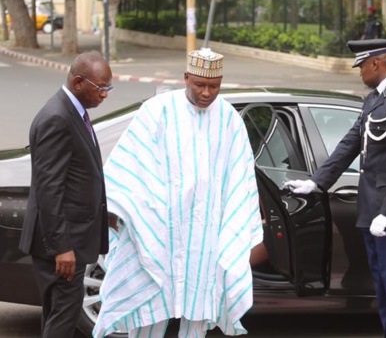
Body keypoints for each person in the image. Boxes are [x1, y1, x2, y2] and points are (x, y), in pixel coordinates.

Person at [93, 47, 263, 338]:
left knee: (199, 307)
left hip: (205, 235)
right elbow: (129, 163)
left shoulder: (229, 119)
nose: (207, 93)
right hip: (160, 230)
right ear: (186, 78)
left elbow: (241, 176)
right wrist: (118, 211)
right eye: (200, 85)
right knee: (150, 304)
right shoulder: (158, 111)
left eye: (214, 86)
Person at [285, 39, 386, 338]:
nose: (359, 72)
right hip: (371, 212)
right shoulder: (375, 99)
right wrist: (316, 181)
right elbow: (350, 144)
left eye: (362, 65)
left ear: (377, 63)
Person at [19, 51, 113, 338]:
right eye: (101, 88)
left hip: (69, 238)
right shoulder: (57, 118)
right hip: (61, 244)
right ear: (78, 83)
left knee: (57, 313)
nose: (105, 95)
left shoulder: (73, 111)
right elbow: (49, 189)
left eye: (109, 88)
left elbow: (76, 179)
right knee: (64, 316)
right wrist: (62, 248)